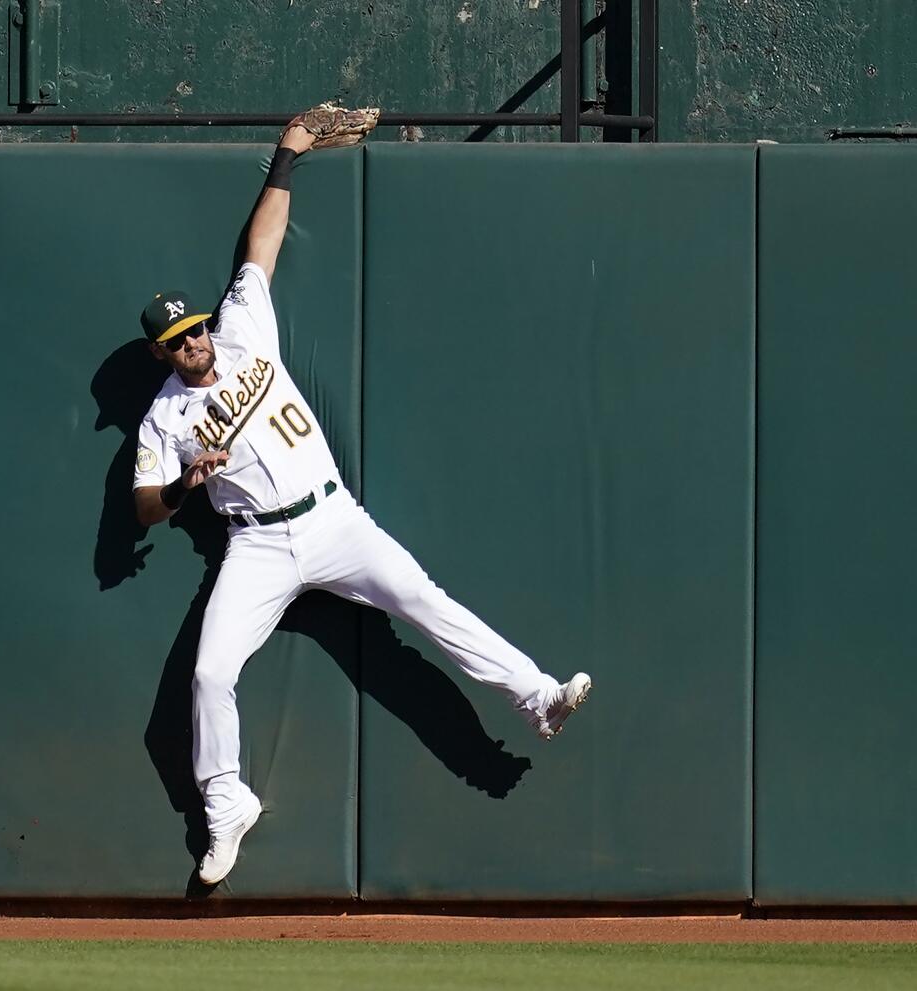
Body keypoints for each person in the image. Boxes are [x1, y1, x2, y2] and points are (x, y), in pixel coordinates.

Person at [132, 120, 592, 887]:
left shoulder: (244, 329)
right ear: (162, 352)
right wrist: (186, 484)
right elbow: (145, 505)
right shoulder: (164, 417)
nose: (197, 343)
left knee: (422, 598)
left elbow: (260, 251)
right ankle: (225, 804)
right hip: (256, 545)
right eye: (180, 340)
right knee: (210, 675)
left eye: (198, 329)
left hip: (332, 516)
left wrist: (289, 154)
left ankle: (538, 697)